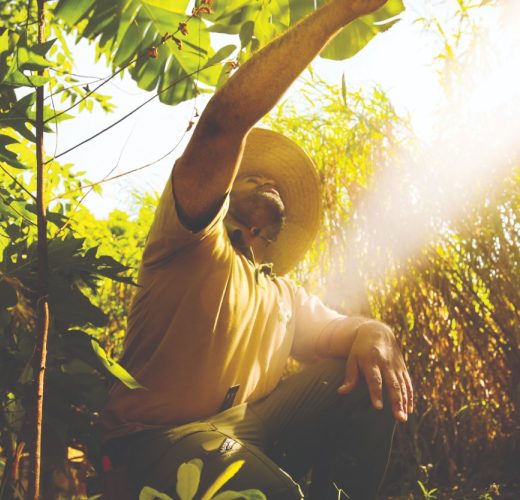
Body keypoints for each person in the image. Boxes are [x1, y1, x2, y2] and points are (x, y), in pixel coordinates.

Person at [100, 0, 413, 497]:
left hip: (247, 436)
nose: (271, 181)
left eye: (280, 189)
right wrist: (338, 13)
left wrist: (376, 331)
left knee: (361, 374)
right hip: (156, 444)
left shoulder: (282, 293)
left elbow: (343, 330)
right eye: (254, 175)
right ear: (225, 191)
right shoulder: (192, 240)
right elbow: (224, 125)